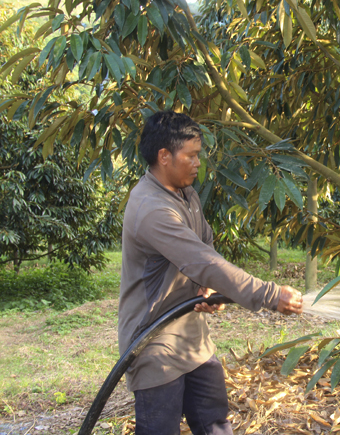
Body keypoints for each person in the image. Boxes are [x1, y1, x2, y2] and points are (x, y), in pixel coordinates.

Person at [118, 110, 303, 435]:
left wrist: (205, 290)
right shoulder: (151, 208)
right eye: (190, 156)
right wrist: (270, 295)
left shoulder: (185, 194)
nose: (197, 163)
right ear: (164, 156)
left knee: (215, 424)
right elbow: (200, 260)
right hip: (154, 343)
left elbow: (204, 245)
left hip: (192, 336)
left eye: (198, 155)